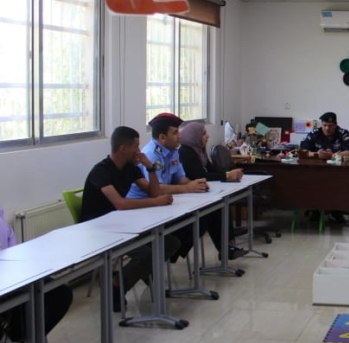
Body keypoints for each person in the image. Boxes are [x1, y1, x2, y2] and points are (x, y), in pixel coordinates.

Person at [80, 126, 177, 312]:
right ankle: (117, 285)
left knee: (170, 242)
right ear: (123, 149)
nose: (139, 151)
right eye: (136, 146)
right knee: (145, 254)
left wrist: (150, 168)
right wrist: (156, 202)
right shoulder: (101, 171)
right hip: (98, 230)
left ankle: (129, 278)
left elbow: (153, 192)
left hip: (121, 225)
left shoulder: (130, 168)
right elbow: (120, 204)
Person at [0, 204, 74, 343]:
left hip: (11, 279)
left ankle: (23, 340)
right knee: (30, 304)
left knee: (58, 293)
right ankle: (18, 338)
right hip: (6, 287)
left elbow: (11, 251)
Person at [126, 113, 209, 262]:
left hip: (161, 205)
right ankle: (161, 259)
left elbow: (180, 179)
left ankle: (168, 256)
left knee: (201, 220)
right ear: (162, 137)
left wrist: (196, 184)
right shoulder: (152, 154)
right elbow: (157, 190)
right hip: (142, 208)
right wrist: (188, 188)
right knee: (190, 225)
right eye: (175, 132)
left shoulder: (173, 151)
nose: (179, 136)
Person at [178, 122, 248, 260]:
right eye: (204, 133)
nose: (208, 136)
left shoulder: (200, 151)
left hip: (201, 193)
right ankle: (226, 248)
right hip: (190, 195)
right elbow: (199, 175)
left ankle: (229, 246)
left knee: (222, 205)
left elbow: (211, 171)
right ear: (194, 136)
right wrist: (227, 175)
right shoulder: (186, 152)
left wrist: (229, 174)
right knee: (216, 210)